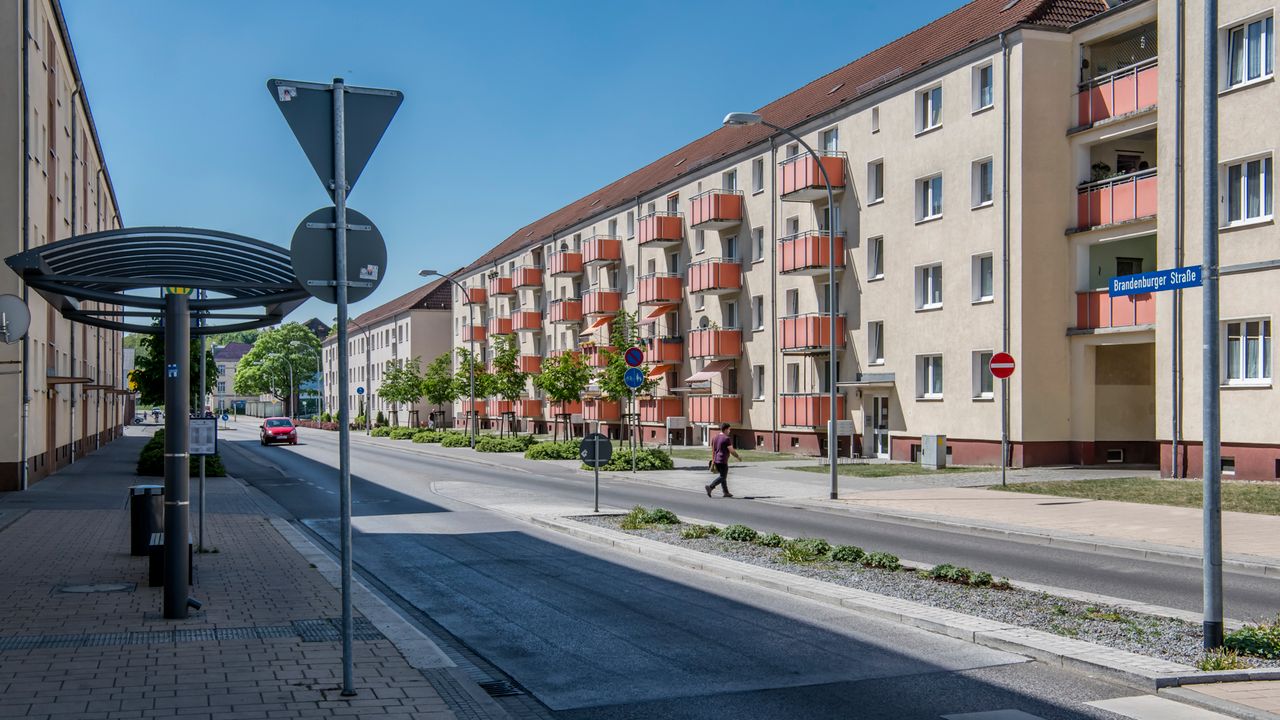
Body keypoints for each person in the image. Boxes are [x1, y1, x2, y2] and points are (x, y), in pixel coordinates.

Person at [705, 423, 741, 498]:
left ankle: (726, 492)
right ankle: (710, 487)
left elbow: (713, 449)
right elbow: (731, 451)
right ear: (725, 429)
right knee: (723, 477)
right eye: (729, 429)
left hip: (716, 460)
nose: (729, 431)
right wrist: (738, 457)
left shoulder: (715, 437)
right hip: (722, 460)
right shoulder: (726, 439)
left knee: (722, 476)